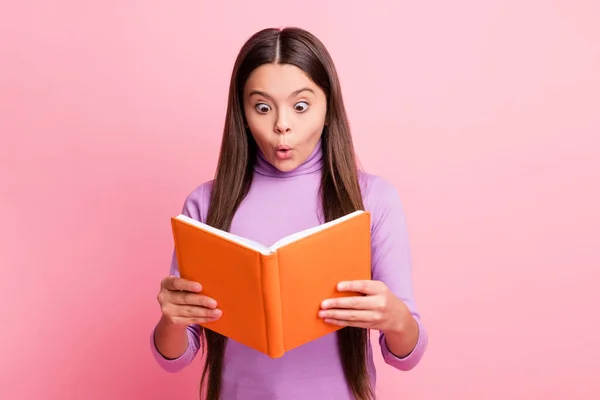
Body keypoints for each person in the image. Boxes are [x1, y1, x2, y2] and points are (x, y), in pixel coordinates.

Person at [151, 26, 428, 400]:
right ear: (243, 115)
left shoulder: (373, 199)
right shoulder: (206, 205)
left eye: (301, 106)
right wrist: (172, 318)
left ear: (329, 108)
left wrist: (395, 318)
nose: (282, 124)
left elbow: (406, 356)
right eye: (262, 107)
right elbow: (173, 358)